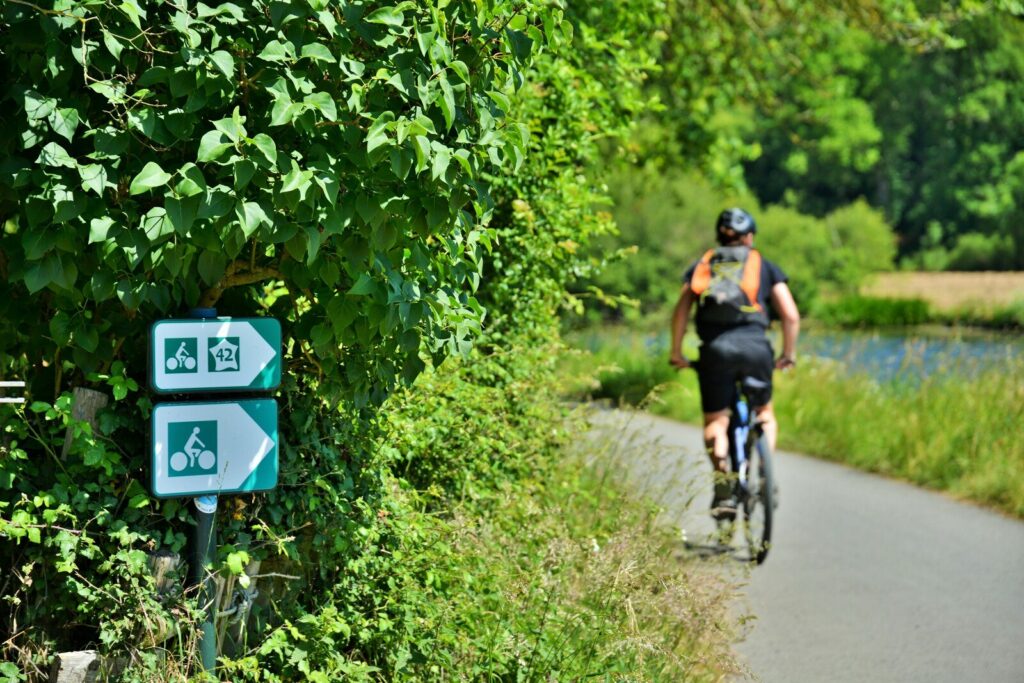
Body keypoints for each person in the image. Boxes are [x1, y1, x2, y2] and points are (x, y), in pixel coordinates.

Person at [668, 208, 800, 520]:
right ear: (750, 237)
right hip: (756, 349)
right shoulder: (763, 265)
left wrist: (677, 352)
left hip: (715, 350)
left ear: (719, 236)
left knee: (717, 421)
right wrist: (788, 354)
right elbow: (791, 315)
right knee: (764, 413)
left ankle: (724, 484)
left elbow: (680, 311)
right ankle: (765, 474)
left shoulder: (704, 265)